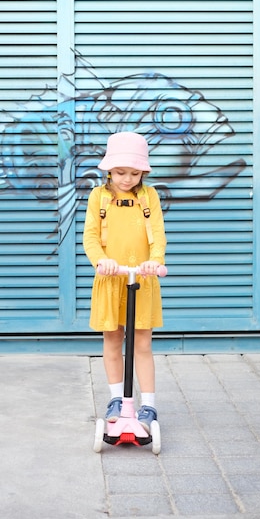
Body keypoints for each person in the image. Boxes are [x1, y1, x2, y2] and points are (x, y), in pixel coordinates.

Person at [83, 131, 166, 431]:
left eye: (134, 173)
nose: (127, 179)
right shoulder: (99, 197)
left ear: (143, 171)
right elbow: (91, 237)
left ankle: (149, 406)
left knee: (142, 343)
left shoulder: (149, 196)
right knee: (112, 340)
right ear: (108, 169)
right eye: (120, 172)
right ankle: (116, 399)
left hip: (141, 279)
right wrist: (100, 261)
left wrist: (155, 262)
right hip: (110, 278)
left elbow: (157, 236)